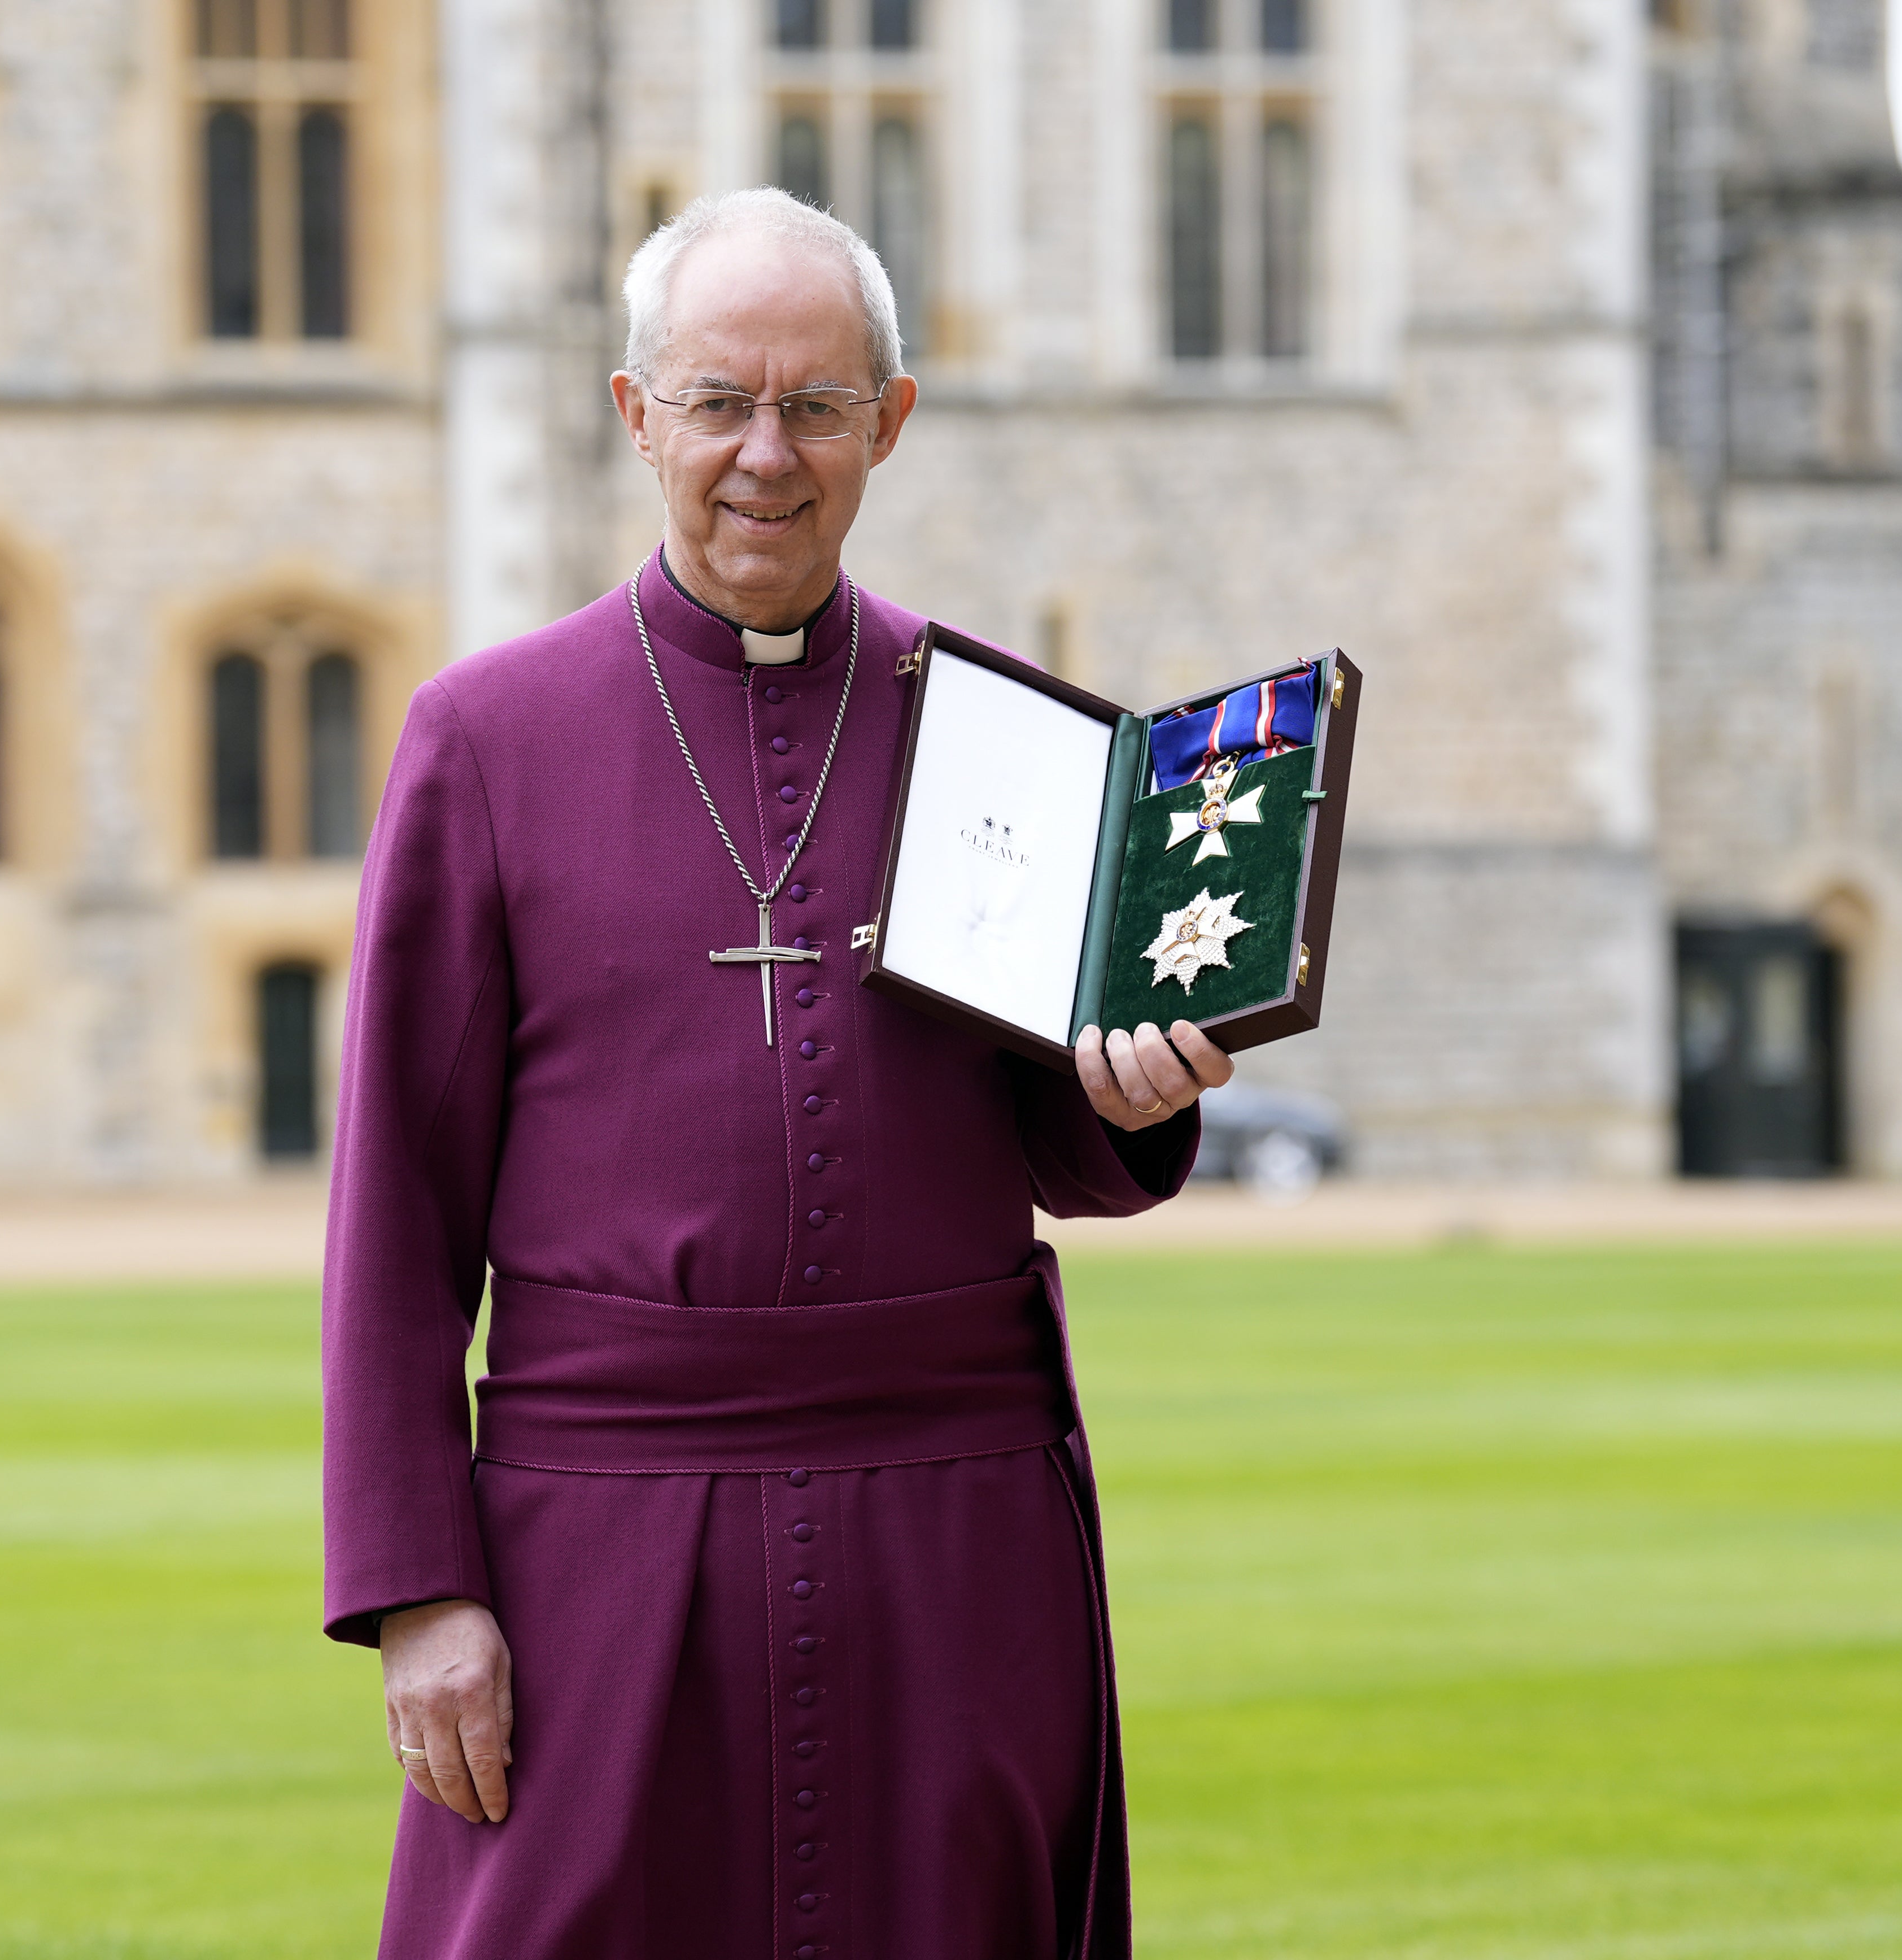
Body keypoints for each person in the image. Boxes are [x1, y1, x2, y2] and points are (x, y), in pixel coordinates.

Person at [323, 188, 1233, 1959]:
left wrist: (1143, 1094)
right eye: (718, 400)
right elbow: (395, 1213)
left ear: (887, 424)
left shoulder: (1006, 734)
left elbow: (1069, 1132)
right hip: (600, 1520)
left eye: (816, 407)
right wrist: (419, 1590)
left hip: (949, 1513)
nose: (764, 453)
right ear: (632, 412)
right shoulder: (485, 740)